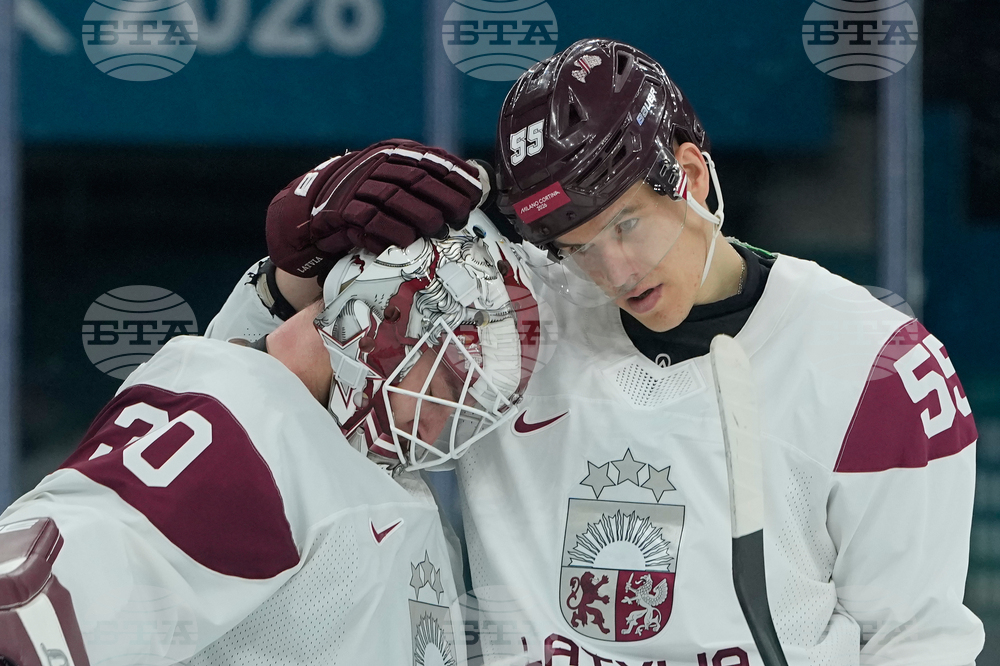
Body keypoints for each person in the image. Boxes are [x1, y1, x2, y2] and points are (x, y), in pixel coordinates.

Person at [197, 41, 983, 665]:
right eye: (575, 247)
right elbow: (215, 442)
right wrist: (286, 284)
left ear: (688, 172)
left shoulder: (878, 366)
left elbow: (918, 643)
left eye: (627, 225)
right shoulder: (502, 321)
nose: (614, 271)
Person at [0, 139, 544, 666]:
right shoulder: (242, 423)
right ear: (382, 321)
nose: (442, 422)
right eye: (447, 387)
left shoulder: (339, 447)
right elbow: (34, 595)